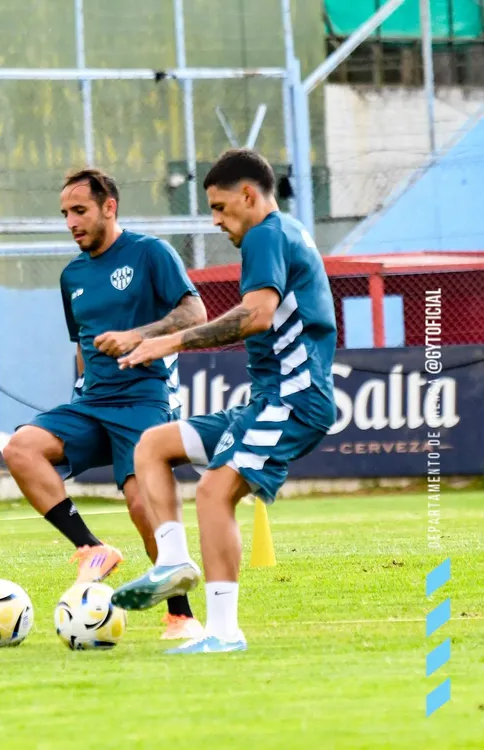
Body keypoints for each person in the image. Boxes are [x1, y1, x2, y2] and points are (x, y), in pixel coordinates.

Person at [109, 148, 337, 654]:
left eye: (219, 207)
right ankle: (172, 563)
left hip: (294, 399)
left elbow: (255, 315)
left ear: (249, 196)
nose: (215, 220)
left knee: (214, 493)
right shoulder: (286, 233)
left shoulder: (265, 235)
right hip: (269, 398)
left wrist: (172, 341)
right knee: (152, 446)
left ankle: (224, 633)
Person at [2, 167, 209, 640]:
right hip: (93, 401)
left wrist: (138, 335)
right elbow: (82, 345)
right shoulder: (71, 275)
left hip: (144, 398)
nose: (71, 222)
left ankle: (180, 614)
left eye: (80, 211)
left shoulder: (149, 253)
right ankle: (92, 549)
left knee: (140, 500)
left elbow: (194, 312)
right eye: (65, 214)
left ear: (108, 208)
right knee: (21, 448)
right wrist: (82, 385)